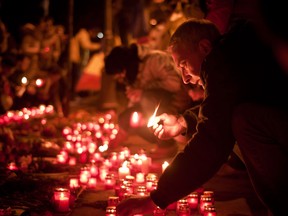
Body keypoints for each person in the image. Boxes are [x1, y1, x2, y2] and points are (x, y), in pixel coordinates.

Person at [116, 18, 288, 216]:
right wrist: (183, 121)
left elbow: (212, 140)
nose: (184, 78)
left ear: (204, 47)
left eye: (183, 64)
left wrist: (157, 198)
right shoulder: (231, 55)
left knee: (243, 120)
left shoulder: (221, 62)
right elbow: (219, 106)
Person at [104, 43, 192, 158]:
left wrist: (142, 92)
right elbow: (134, 105)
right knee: (127, 117)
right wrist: (126, 125)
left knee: (147, 99)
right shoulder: (130, 75)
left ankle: (167, 145)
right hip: (153, 106)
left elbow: (175, 84)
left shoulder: (155, 60)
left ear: (124, 67)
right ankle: (160, 140)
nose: (120, 79)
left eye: (120, 75)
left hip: (177, 104)